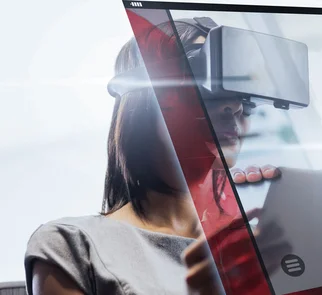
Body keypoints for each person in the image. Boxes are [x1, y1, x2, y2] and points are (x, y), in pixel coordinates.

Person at [24, 12, 288, 295]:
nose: (234, 108)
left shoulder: (263, 240)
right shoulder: (70, 245)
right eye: (204, 88)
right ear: (144, 104)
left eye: (242, 97)